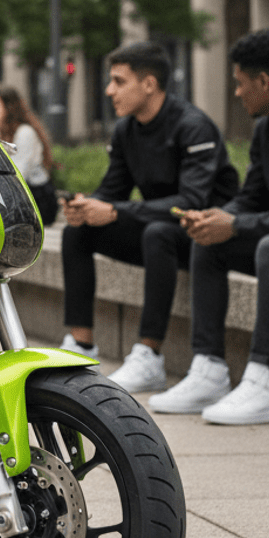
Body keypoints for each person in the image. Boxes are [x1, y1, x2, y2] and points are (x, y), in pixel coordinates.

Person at [151, 30, 269, 424]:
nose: (237, 93)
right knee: (208, 241)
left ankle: (265, 381)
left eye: (239, 83)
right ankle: (209, 369)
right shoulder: (267, 127)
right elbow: (253, 197)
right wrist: (216, 219)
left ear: (264, 81)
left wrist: (238, 223)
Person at [60, 41, 238, 394]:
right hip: (158, 234)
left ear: (149, 84)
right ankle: (79, 346)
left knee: (157, 232)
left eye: (118, 81)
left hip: (207, 238)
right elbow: (114, 190)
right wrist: (86, 205)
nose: (109, 90)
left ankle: (149, 355)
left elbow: (192, 202)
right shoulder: (127, 129)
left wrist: (114, 210)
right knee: (76, 232)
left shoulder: (193, 126)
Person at [0, 83, 57, 225]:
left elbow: (18, 177)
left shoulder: (25, 133)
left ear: (9, 108)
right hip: (16, 198)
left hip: (38, 200)